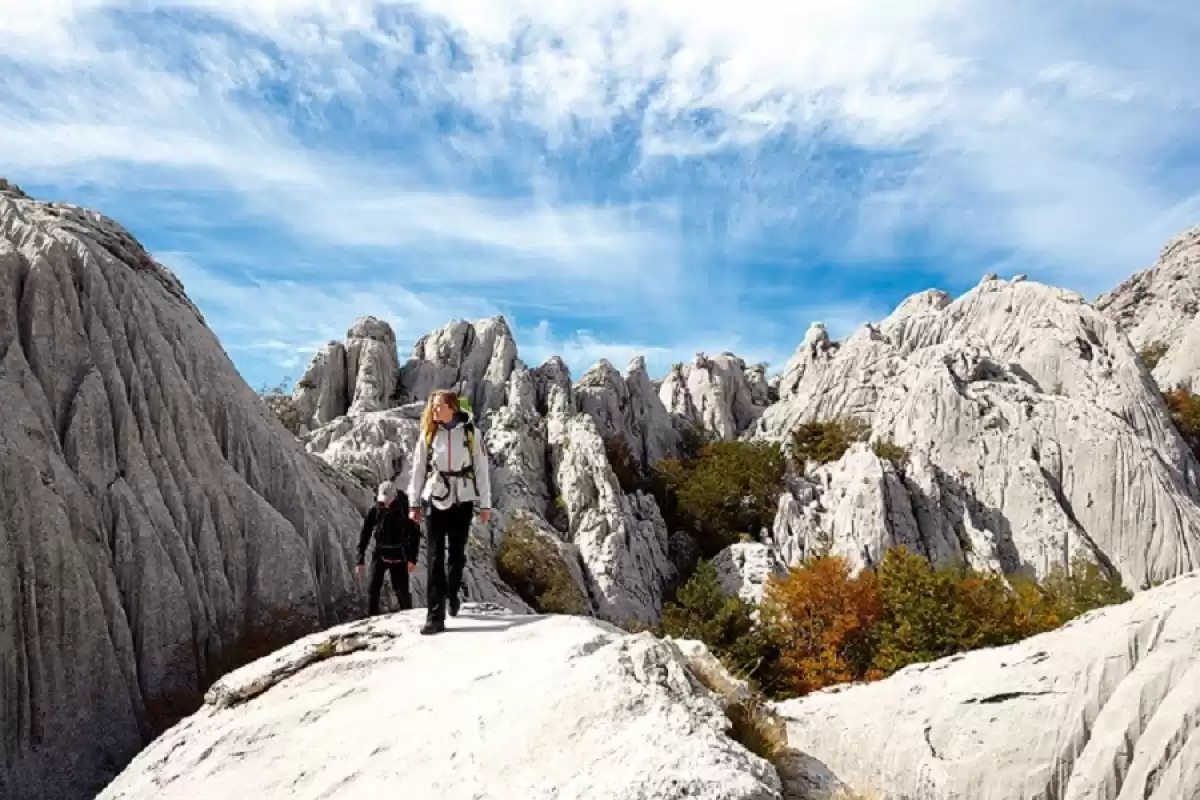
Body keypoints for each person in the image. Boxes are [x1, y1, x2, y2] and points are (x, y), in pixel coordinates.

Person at [407, 389, 492, 635]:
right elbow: (417, 470)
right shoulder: (429, 434)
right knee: (434, 557)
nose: (433, 411)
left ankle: (453, 592)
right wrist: (414, 503)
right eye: (432, 407)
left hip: (463, 499)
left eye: (438, 406)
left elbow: (482, 470)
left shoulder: (471, 433)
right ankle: (435, 617)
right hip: (435, 497)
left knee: (456, 555)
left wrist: (485, 504)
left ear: (452, 408)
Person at [356, 480, 422, 616]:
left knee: (402, 592)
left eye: (388, 501)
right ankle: (372, 619)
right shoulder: (375, 510)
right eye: (383, 500)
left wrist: (412, 559)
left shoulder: (403, 511)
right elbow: (365, 534)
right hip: (380, 554)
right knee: (373, 590)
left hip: (399, 556)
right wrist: (360, 558)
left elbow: (415, 533)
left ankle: (409, 619)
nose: (385, 503)